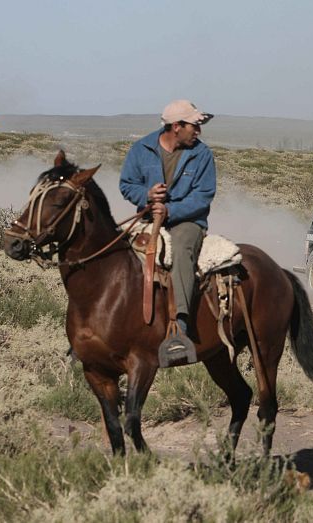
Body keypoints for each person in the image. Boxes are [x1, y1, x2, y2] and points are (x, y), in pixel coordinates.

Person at [120, 100, 216, 356]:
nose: (198, 131)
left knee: (182, 248)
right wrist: (147, 195)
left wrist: (171, 210)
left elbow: (204, 196)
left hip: (188, 221)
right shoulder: (141, 149)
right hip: (148, 217)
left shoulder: (202, 154)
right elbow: (127, 184)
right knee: (118, 249)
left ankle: (180, 326)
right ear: (177, 126)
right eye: (194, 126)